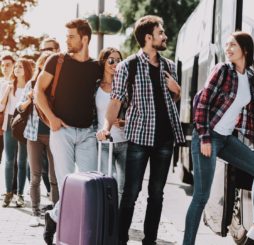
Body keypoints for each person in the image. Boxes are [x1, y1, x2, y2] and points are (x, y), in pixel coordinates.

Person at [182, 31, 254, 245]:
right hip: (208, 137)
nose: (228, 49)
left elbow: (250, 96)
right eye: (227, 45)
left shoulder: (247, 75)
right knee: (201, 196)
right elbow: (202, 103)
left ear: (245, 49)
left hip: (225, 139)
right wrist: (203, 138)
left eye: (233, 45)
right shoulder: (222, 70)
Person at [97, 15, 185, 245]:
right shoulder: (128, 67)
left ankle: (150, 241)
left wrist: (178, 91)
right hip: (138, 139)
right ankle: (120, 240)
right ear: (148, 38)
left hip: (165, 140)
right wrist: (106, 127)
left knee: (156, 195)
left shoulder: (170, 66)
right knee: (130, 193)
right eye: (161, 32)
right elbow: (115, 102)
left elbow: (173, 101)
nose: (165, 36)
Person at [34, 18, 103, 245]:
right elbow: (38, 92)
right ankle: (72, 234)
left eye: (71, 36)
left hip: (87, 134)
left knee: (90, 187)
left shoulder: (96, 67)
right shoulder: (57, 61)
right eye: (66, 36)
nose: (67, 40)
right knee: (66, 187)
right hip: (61, 131)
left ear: (85, 38)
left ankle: (53, 217)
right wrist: (52, 119)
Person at [17, 51, 59, 227]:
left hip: (54, 135)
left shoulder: (59, 85)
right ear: (40, 66)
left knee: (54, 177)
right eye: (44, 64)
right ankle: (35, 212)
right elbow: (19, 109)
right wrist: (28, 100)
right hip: (33, 135)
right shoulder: (32, 84)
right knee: (34, 176)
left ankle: (57, 213)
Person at [0, 58, 33, 208]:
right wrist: (6, 91)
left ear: (26, 69)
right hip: (9, 121)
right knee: (8, 160)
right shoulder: (8, 85)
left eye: (20, 67)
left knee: (22, 161)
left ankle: (20, 194)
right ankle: (8, 193)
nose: (17, 69)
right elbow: (1, 108)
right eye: (16, 67)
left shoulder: (30, 86)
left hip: (24, 123)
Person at [96, 47, 126, 204]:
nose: (115, 63)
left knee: (123, 186)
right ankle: (107, 217)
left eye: (119, 60)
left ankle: (118, 222)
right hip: (104, 143)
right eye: (111, 60)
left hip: (125, 142)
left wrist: (124, 121)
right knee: (109, 181)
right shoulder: (95, 87)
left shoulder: (125, 86)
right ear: (103, 62)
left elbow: (136, 111)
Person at [39, 37, 60, 201]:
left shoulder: (62, 70)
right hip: (39, 128)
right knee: (43, 167)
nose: (46, 52)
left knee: (56, 168)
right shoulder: (38, 71)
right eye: (43, 49)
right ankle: (50, 196)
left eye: (49, 49)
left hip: (58, 126)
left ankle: (57, 201)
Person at [0, 53, 15, 163]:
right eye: (3, 65)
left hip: (13, 126)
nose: (5, 68)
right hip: (1, 126)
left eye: (8, 65)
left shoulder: (19, 83)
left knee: (15, 160)